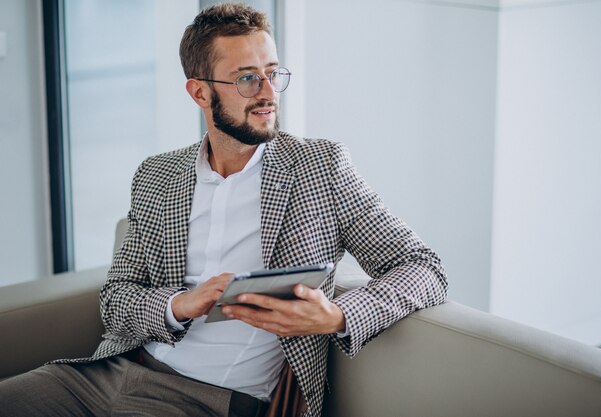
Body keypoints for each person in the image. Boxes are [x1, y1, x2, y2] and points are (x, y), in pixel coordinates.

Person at [0, 3, 447, 417]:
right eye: (247, 78)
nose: (269, 92)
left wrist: (338, 316)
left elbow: (424, 267)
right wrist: (179, 305)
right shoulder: (157, 176)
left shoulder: (320, 168)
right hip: (104, 373)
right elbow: (117, 298)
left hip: (209, 398)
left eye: (273, 73)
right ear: (199, 93)